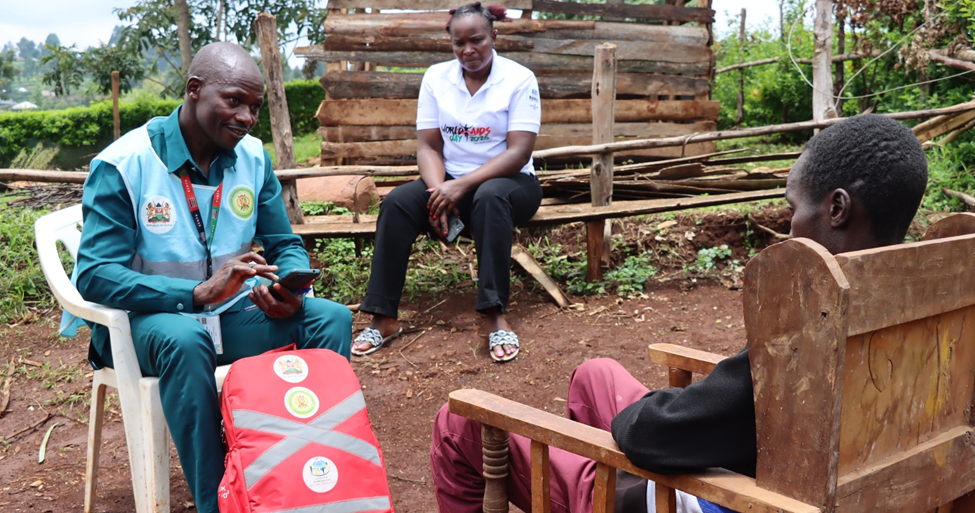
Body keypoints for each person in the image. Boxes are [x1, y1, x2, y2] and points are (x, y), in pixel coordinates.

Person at [429, 113, 929, 513]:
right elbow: (729, 407)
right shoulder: (917, 306)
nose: (788, 223)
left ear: (837, 208)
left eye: (794, 206)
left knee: (458, 422)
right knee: (594, 374)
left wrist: (648, 422)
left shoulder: (814, 334)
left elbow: (651, 435)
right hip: (763, 463)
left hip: (687, 498)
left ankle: (586, 485)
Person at [70, 42, 352, 513]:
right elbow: (95, 274)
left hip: (230, 317)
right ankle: (218, 502)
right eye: (234, 101)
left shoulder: (252, 160)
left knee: (329, 318)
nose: (245, 117)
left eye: (255, 107)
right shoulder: (125, 163)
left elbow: (284, 243)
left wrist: (290, 289)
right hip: (146, 325)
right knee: (185, 339)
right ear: (195, 90)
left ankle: (308, 477)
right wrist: (194, 294)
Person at [352, 2, 543, 362]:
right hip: (451, 181)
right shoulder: (437, 78)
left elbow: (519, 152)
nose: (468, 50)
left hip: (512, 183)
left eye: (477, 40)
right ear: (451, 43)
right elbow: (427, 146)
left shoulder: (519, 79)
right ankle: (383, 317)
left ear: (494, 37)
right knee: (396, 203)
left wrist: (461, 186)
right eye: (459, 43)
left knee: (488, 196)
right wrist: (439, 191)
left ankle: (494, 315)